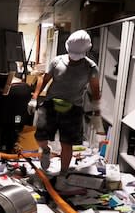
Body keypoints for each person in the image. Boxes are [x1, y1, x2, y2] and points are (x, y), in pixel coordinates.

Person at [27, 30, 104, 175]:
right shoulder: (57, 61)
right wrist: (34, 97)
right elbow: (44, 79)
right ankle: (46, 150)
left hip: (73, 108)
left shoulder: (91, 67)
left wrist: (97, 110)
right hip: (50, 104)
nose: (74, 59)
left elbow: (95, 90)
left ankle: (63, 173)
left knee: (66, 143)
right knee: (40, 136)